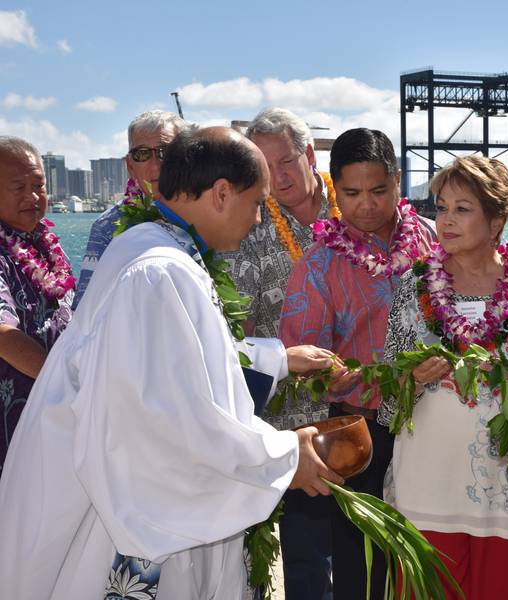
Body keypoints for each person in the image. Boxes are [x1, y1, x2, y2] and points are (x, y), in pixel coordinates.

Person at [0, 126, 344, 599]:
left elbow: (186, 362)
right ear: (221, 194)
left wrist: (276, 359)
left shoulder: (150, 245)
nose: (261, 217)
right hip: (131, 524)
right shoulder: (160, 273)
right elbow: (172, 423)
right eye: (257, 201)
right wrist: (286, 457)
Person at [375, 155, 508, 599]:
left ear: (496, 221)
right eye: (440, 207)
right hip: (426, 479)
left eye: (462, 208)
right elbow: (385, 403)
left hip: (507, 480)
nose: (446, 221)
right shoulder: (414, 288)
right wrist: (412, 380)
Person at [280, 127, 435, 600]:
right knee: (360, 568)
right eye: (351, 193)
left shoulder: (433, 240)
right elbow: (305, 364)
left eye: (378, 191)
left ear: (398, 181)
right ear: (334, 189)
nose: (366, 204)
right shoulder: (319, 264)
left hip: (432, 424)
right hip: (360, 434)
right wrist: (369, 377)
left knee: (427, 554)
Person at [222, 107, 341, 600]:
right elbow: (240, 323)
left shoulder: (352, 207)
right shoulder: (247, 225)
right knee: (308, 556)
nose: (279, 176)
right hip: (293, 420)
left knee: (367, 550)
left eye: (287, 160)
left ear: (311, 154)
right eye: (265, 166)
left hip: (365, 404)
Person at [0, 136, 74, 474]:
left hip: (54, 421)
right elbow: (2, 333)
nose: (33, 196)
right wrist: (66, 380)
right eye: (19, 186)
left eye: (39, 185)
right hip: (12, 431)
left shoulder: (43, 242)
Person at [74, 110, 189, 307]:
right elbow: (85, 309)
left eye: (166, 151)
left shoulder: (208, 213)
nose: (156, 165)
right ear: (130, 166)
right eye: (142, 154)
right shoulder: (108, 226)